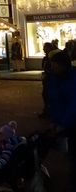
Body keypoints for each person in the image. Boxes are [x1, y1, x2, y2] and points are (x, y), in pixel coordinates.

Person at [46, 50, 76, 191]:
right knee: (70, 153)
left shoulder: (71, 80)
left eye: (55, 65)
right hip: (63, 123)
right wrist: (53, 120)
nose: (53, 67)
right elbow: (53, 101)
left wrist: (63, 123)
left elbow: (73, 104)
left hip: (71, 123)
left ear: (64, 65)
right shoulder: (54, 78)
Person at [39, 42, 60, 118]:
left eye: (45, 47)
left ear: (49, 48)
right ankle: (47, 111)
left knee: (49, 96)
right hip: (47, 79)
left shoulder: (52, 57)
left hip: (51, 80)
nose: (43, 49)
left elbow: (54, 69)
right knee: (45, 95)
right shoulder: (46, 58)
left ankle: (50, 112)